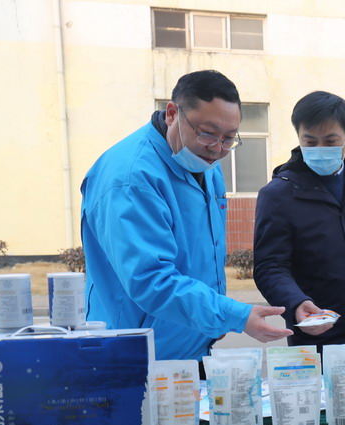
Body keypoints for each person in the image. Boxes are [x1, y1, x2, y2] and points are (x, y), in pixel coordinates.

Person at [81, 70, 291, 366]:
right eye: (207, 133)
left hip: (190, 352)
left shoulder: (204, 163)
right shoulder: (131, 178)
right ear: (172, 114)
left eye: (229, 139)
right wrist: (233, 315)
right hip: (134, 358)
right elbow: (150, 279)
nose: (218, 149)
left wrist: (212, 321)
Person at [253, 91, 345, 362]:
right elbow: (270, 266)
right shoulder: (278, 194)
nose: (320, 149)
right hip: (316, 334)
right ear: (299, 137)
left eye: (331, 141)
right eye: (310, 142)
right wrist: (296, 302)